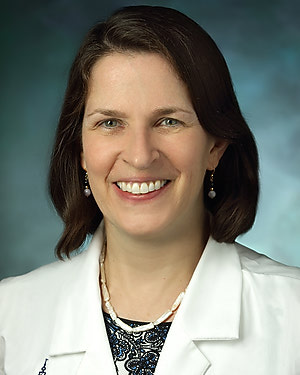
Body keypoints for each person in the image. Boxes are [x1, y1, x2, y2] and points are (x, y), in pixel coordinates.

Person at [0, 5, 299, 375]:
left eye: (168, 121)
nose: (140, 157)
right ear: (80, 149)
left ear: (216, 145)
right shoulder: (8, 317)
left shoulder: (292, 317)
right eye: (110, 122)